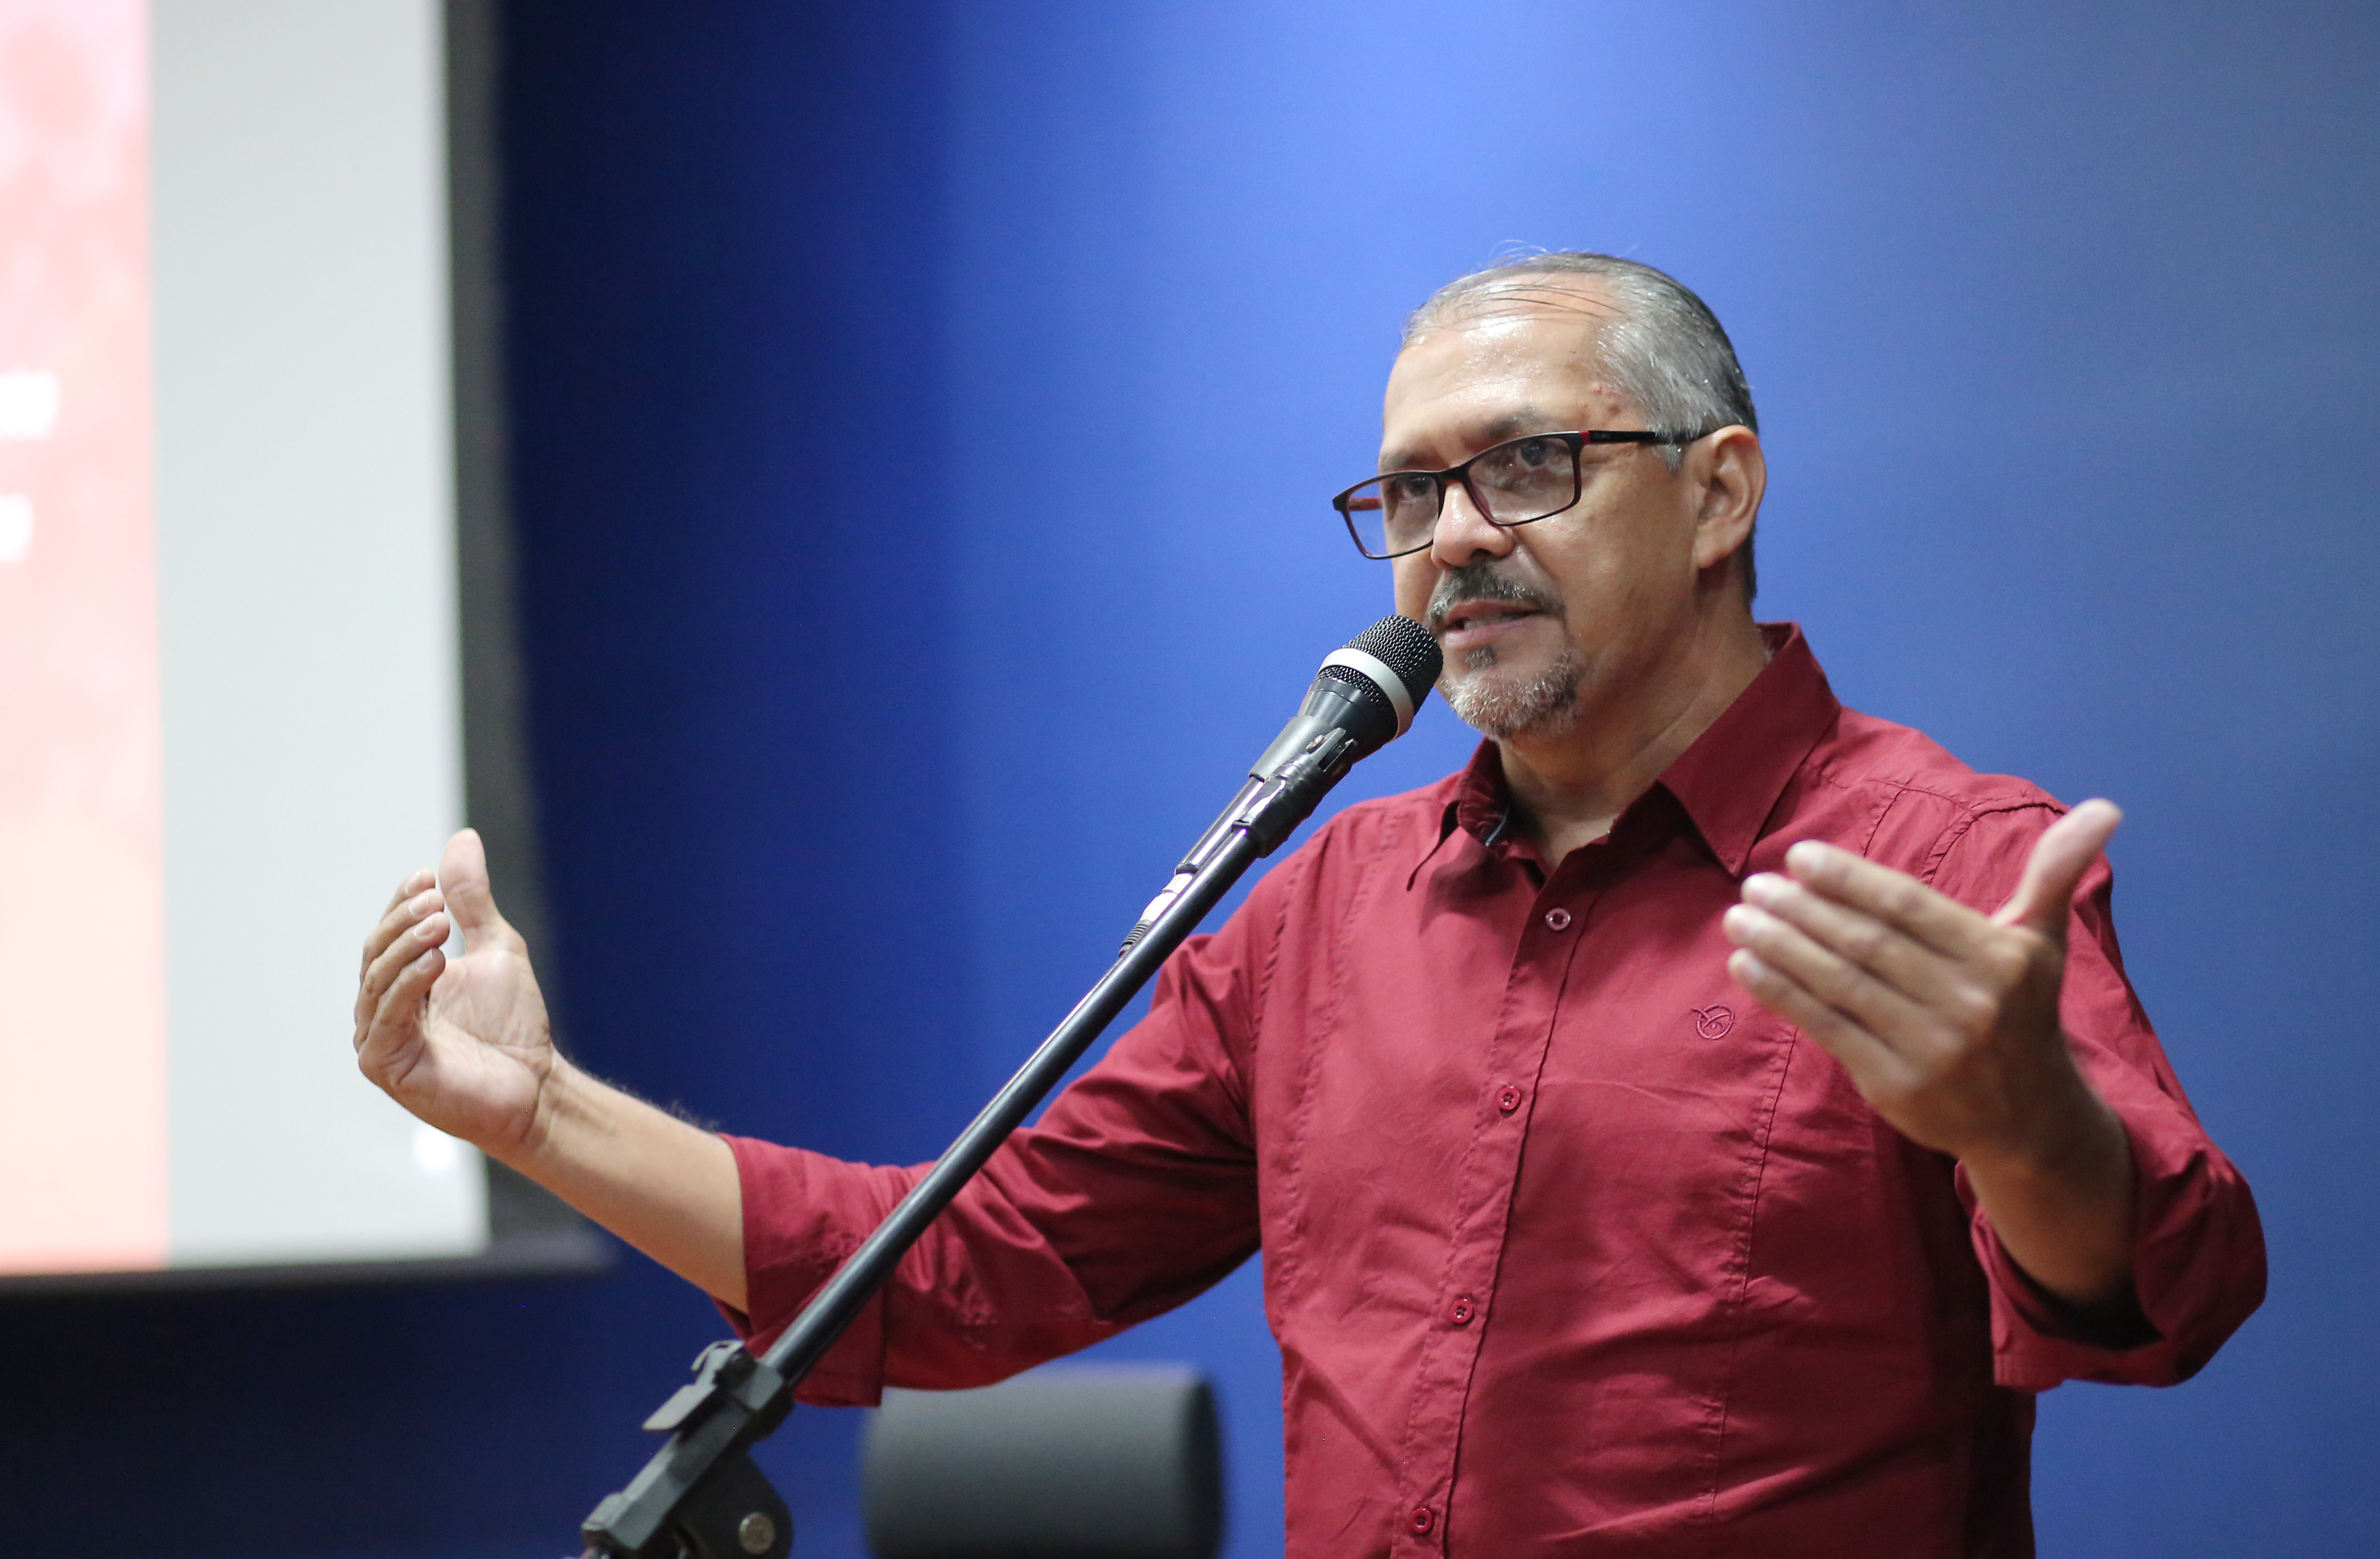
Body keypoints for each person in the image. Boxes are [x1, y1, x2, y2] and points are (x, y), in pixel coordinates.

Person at [354, 253, 2263, 1557]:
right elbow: (946, 1276)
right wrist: (538, 1113)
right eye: (1411, 495)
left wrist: (2026, 1124)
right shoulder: (1329, 904)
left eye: (1528, 465)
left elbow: (2171, 1292)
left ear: (1718, 494)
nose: (1455, 539)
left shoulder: (1933, 860)